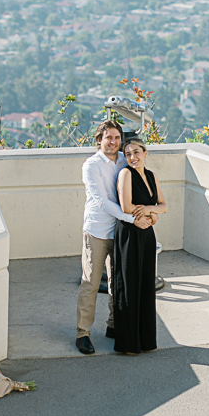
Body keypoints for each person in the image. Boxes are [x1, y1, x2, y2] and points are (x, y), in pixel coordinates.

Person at [76, 120, 152, 355]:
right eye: (108, 137)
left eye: (117, 137)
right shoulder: (91, 165)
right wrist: (133, 219)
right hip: (98, 231)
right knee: (90, 283)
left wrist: (149, 214)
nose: (113, 142)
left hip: (120, 232)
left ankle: (113, 325)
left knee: (117, 283)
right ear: (99, 140)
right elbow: (102, 201)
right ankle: (82, 334)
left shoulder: (124, 159)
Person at [113, 137, 168, 355]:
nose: (133, 157)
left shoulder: (152, 176)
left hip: (147, 233)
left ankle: (145, 341)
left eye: (136, 152)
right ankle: (129, 343)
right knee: (129, 285)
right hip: (129, 232)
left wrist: (150, 211)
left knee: (146, 285)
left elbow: (164, 206)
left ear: (146, 153)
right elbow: (126, 206)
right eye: (128, 154)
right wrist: (151, 212)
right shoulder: (125, 174)